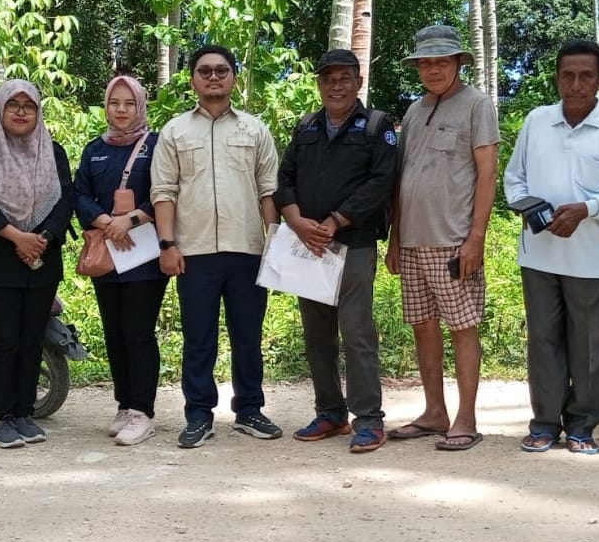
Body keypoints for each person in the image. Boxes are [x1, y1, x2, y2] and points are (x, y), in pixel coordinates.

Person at [504, 39, 599, 456]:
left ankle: (582, 426)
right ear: (557, 78)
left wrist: (588, 208)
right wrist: (531, 209)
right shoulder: (536, 121)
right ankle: (545, 423)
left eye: (586, 76)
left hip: (593, 262)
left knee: (590, 349)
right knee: (544, 341)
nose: (576, 84)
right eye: (568, 75)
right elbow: (514, 179)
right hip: (539, 256)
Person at [151, 44, 281, 448]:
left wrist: (273, 240)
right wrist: (167, 244)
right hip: (194, 252)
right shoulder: (175, 131)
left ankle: (250, 410)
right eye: (204, 71)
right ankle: (198, 415)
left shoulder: (254, 130)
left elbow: (269, 189)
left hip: (247, 250)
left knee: (248, 335)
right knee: (199, 338)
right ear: (192, 79)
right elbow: (164, 191)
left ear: (233, 78)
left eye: (221, 70)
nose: (213, 77)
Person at [384, 25, 499, 452]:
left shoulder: (476, 104)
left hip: (454, 241)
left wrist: (476, 238)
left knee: (463, 327)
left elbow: (488, 172)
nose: (433, 69)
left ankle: (466, 417)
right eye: (426, 62)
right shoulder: (414, 111)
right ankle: (435, 412)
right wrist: (395, 238)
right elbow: (401, 178)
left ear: (458, 63)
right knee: (423, 326)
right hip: (412, 240)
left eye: (442, 61)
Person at [278, 50, 398, 453]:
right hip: (309, 246)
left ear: (358, 81)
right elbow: (286, 177)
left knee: (357, 333)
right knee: (317, 336)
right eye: (328, 78)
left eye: (344, 77)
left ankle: (369, 420)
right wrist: (295, 219)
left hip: (353, 245)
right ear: (319, 83)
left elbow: (382, 182)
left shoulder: (377, 127)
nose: (336, 85)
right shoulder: (307, 125)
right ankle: (331, 413)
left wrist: (335, 220)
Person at [0, 79, 74, 449]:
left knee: (31, 340)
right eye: (14, 104)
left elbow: (65, 200)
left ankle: (24, 413)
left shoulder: (53, 152)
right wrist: (18, 238)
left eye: (30, 105)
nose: (22, 111)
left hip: (41, 260)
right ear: (0, 110)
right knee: (3, 340)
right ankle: (1, 417)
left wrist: (41, 239)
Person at [74, 75, 168, 446]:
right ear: (107, 106)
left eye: (129, 103)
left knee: (137, 332)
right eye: (115, 103)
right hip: (108, 255)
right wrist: (103, 221)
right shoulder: (94, 148)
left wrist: (130, 220)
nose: (122, 110)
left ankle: (143, 412)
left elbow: (167, 190)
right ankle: (124, 404)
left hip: (144, 255)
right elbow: (79, 193)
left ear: (140, 105)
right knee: (114, 333)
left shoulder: (157, 145)